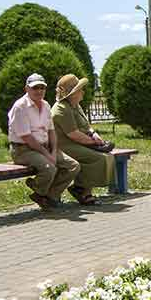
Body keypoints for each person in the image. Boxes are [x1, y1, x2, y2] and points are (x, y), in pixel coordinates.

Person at [8, 73, 80, 209]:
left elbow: (51, 131)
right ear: (26, 89)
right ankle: (38, 188)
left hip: (44, 147)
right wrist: (47, 155)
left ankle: (48, 196)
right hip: (23, 150)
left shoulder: (46, 105)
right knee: (49, 168)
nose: (39, 91)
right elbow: (27, 137)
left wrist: (53, 151)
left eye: (42, 88)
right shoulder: (20, 107)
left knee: (73, 166)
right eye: (35, 88)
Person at [51, 74, 114, 205]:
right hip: (63, 146)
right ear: (72, 94)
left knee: (108, 156)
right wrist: (94, 143)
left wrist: (93, 134)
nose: (83, 92)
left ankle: (82, 189)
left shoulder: (75, 105)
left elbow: (86, 126)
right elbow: (73, 134)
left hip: (76, 143)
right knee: (97, 158)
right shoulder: (61, 109)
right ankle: (82, 190)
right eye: (79, 89)